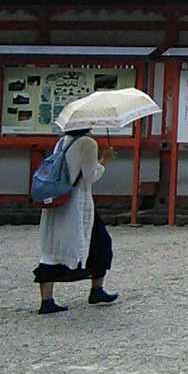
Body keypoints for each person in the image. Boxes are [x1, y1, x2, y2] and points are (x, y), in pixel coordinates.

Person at [33, 129, 117, 315]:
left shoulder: (63, 141)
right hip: (78, 203)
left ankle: (46, 299)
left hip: (59, 199)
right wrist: (104, 161)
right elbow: (90, 176)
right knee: (101, 243)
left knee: (53, 249)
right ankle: (97, 289)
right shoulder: (88, 143)